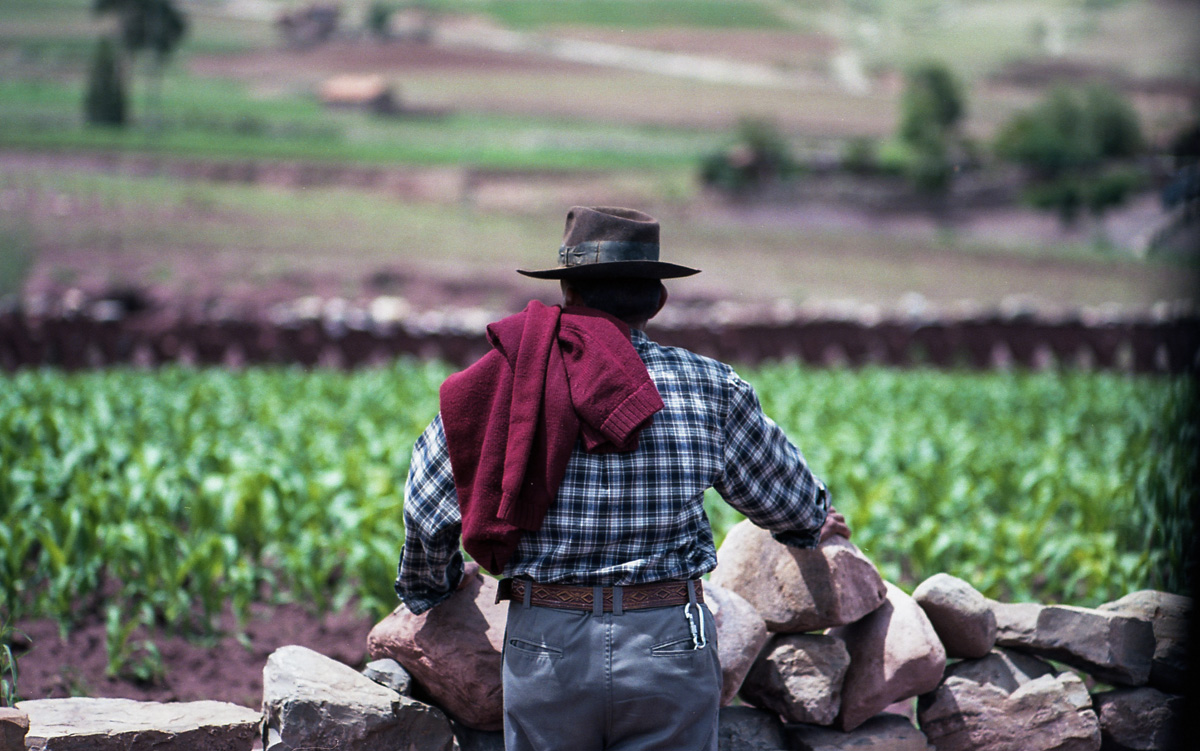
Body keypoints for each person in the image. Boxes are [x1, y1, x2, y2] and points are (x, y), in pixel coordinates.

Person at [396, 206, 849, 751]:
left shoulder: (504, 385)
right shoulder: (711, 387)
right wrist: (810, 525)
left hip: (546, 645)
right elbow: (793, 502)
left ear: (568, 293)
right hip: (667, 641)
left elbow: (426, 508)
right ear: (657, 299)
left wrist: (432, 588)